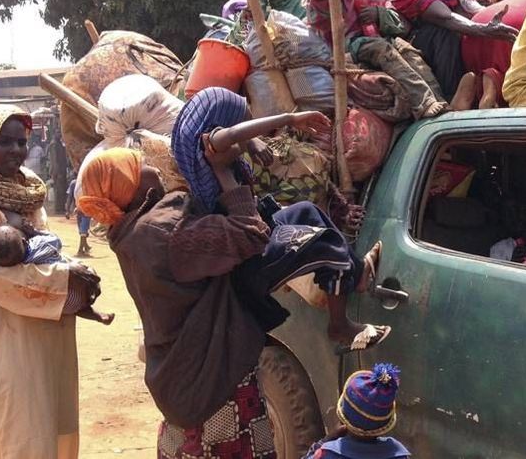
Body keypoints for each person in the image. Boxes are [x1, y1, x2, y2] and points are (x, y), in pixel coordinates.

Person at [77, 147, 279, 459]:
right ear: (127, 183)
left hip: (179, 378)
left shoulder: (128, 232)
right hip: (213, 380)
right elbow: (251, 234)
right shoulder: (159, 231)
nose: (151, 166)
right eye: (140, 164)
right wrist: (223, 172)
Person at [172, 87, 388, 347]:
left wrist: (252, 142)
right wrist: (290, 119)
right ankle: (339, 326)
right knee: (327, 244)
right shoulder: (214, 154)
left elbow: (237, 134)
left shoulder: (207, 155)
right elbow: (229, 138)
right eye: (239, 118)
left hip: (258, 231)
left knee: (307, 211)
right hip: (251, 256)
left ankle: (360, 272)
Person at [0, 104, 99, 459]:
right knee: (21, 432)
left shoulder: (31, 193)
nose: (16, 151)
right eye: (5, 142)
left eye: (21, 142)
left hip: (52, 334)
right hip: (8, 339)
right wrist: (65, 280)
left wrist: (74, 278)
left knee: (56, 428)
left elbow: (44, 251)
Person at [316, 0, 468, 117]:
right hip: (350, 46)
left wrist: (379, 15)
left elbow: (400, 22)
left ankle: (438, 100)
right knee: (381, 47)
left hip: (381, 40)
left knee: (409, 51)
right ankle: (422, 101)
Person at [0, 224, 114, 324]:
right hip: (75, 287)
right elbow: (56, 240)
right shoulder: (38, 244)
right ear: (24, 241)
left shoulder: (20, 266)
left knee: (76, 309)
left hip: (59, 305)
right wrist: (35, 232)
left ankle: (96, 315)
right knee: (88, 272)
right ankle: (98, 314)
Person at [303, 363, 410, 459]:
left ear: (342, 416)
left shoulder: (326, 455)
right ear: (386, 424)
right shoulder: (399, 455)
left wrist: (326, 440)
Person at [65, 172, 92, 256]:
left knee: (83, 229)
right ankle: (85, 246)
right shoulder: (75, 183)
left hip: (85, 209)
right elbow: (70, 197)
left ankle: (81, 249)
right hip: (81, 209)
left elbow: (69, 197)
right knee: (82, 229)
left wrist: (67, 209)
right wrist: (67, 209)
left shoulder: (77, 183)